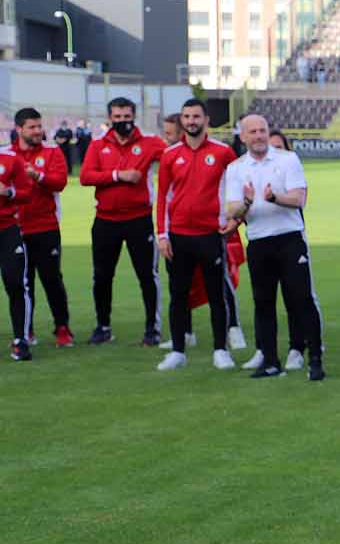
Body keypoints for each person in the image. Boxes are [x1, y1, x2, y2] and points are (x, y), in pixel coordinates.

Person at [223, 115, 325, 381]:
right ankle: (270, 361)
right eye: (253, 132)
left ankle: (314, 359)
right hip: (258, 241)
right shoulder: (235, 168)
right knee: (263, 303)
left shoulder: (287, 160)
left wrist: (274, 197)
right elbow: (231, 208)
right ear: (243, 137)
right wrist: (246, 203)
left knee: (301, 299)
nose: (259, 136)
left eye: (262, 131)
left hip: (289, 238)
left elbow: (299, 198)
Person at [153, 99, 238, 372]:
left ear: (206, 120)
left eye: (196, 116)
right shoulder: (170, 155)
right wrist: (162, 234)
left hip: (210, 235)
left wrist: (235, 219)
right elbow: (164, 197)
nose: (191, 121)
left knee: (216, 295)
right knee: (178, 295)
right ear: (182, 121)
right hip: (178, 236)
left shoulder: (223, 153)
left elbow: (238, 187)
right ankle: (178, 351)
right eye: (187, 117)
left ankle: (220, 350)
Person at [80, 98, 167, 346]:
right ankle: (103, 327)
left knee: (147, 276)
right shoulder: (98, 145)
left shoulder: (149, 143)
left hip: (138, 219)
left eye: (126, 116)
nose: (122, 121)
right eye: (117, 117)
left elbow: (173, 156)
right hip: (105, 220)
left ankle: (152, 328)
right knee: (102, 276)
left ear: (134, 116)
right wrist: (119, 175)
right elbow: (86, 176)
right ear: (109, 118)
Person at [12, 109, 72, 347]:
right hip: (14, 229)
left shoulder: (52, 151)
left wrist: (36, 176)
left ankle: (62, 328)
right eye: (32, 127)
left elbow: (60, 182)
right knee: (22, 282)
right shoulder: (6, 154)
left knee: (52, 279)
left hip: (46, 226)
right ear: (19, 129)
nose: (38, 131)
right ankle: (26, 332)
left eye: (39, 126)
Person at [0, 141, 32, 359]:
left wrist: (8, 191)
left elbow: (26, 192)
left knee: (15, 283)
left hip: (7, 230)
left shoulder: (11, 159)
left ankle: (20, 340)